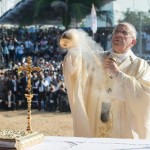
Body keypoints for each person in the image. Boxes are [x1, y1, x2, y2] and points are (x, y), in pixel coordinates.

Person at [59, 22, 150, 139]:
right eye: (116, 32)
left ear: (133, 42)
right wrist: (74, 47)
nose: (118, 35)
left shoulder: (141, 65)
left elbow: (145, 95)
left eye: (124, 33)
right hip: (96, 123)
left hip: (124, 130)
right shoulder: (97, 58)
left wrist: (118, 74)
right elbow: (74, 68)